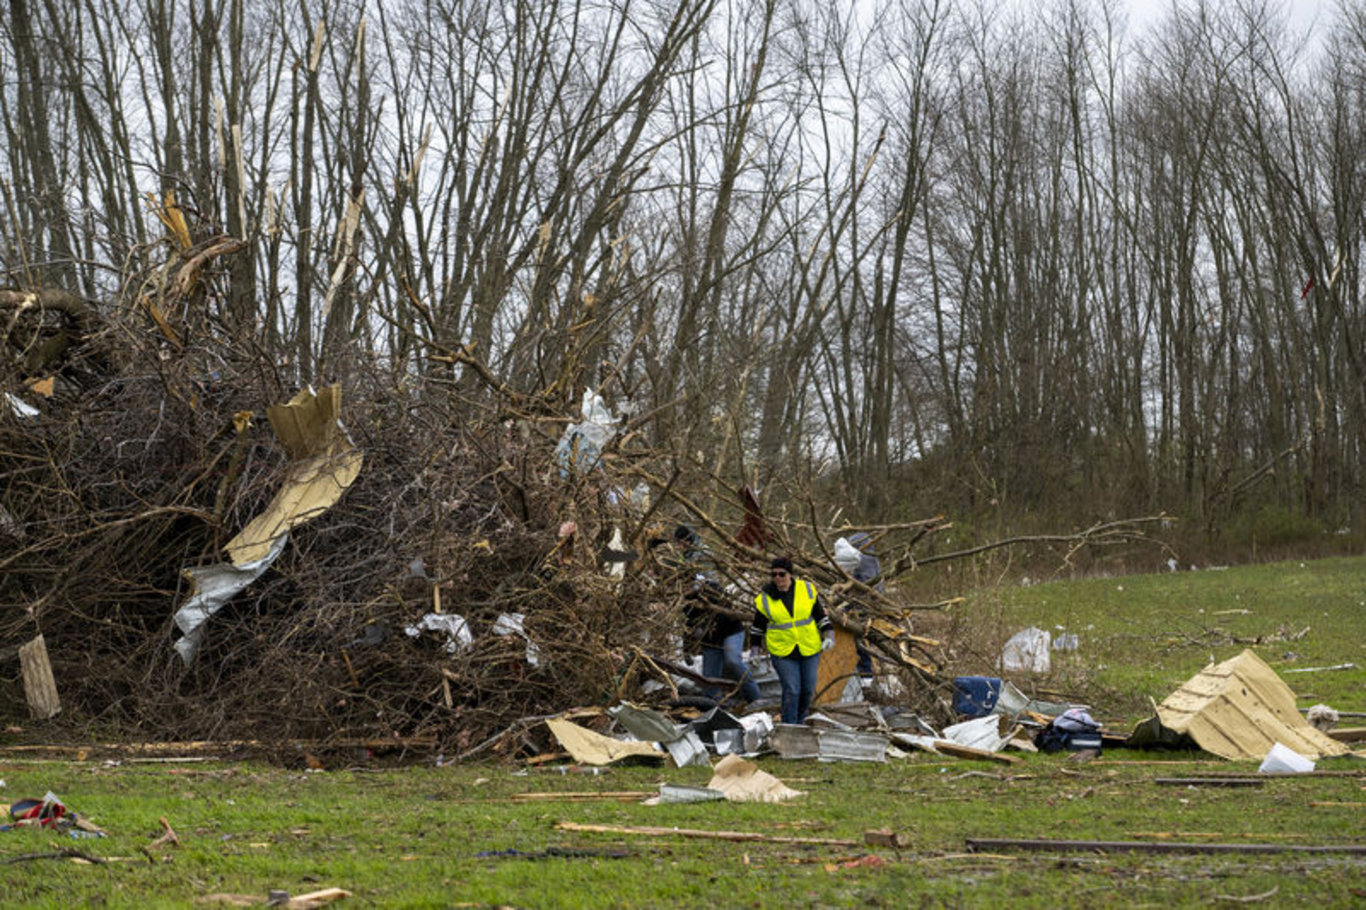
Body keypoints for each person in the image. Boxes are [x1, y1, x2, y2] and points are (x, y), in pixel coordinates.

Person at [672, 526, 761, 706]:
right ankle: (716, 704)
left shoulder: (714, 591)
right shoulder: (688, 601)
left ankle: (754, 699)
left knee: (732, 661)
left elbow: (723, 616)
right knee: (709, 678)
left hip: (729, 631)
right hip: (711, 639)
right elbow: (687, 626)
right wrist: (687, 651)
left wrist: (704, 628)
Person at [752, 556, 833, 725]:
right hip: (782, 651)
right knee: (792, 690)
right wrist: (754, 651)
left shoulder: (807, 590)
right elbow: (757, 628)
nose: (777, 579)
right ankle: (790, 726)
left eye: (782, 574)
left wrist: (829, 635)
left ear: (790, 575)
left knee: (807, 690)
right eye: (774, 575)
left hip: (809, 648)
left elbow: (820, 616)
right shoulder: (766, 598)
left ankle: (799, 720)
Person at [834, 532, 883, 683]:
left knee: (858, 633)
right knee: (856, 634)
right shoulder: (865, 557)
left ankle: (865, 675)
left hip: (864, 603)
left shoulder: (865, 560)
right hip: (863, 601)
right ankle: (862, 673)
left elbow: (864, 584)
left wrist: (846, 596)